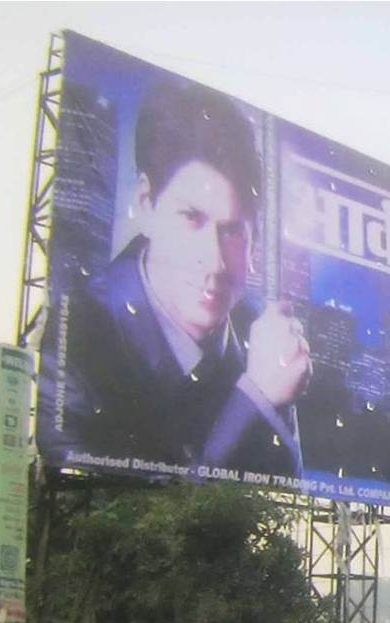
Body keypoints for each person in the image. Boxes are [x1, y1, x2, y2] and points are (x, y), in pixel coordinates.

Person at [39, 78, 312, 478]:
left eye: (233, 231)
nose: (215, 262)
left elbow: (284, 493)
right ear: (146, 204)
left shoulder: (262, 340)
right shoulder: (77, 332)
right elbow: (127, 521)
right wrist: (254, 400)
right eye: (191, 218)